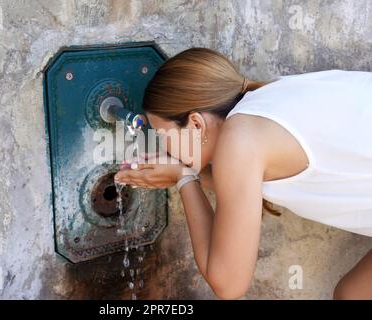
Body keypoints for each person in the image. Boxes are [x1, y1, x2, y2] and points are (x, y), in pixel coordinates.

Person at [114, 47, 372, 300]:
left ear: (195, 123)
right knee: (352, 294)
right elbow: (240, 188)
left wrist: (185, 177)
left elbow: (228, 284)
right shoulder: (265, 102)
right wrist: (181, 172)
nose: (163, 146)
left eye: (163, 135)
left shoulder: (240, 140)